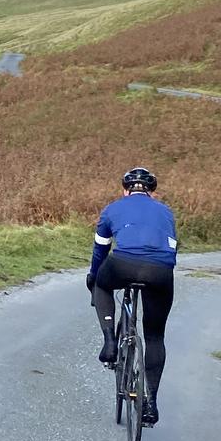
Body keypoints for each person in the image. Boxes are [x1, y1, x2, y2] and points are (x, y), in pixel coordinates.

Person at [87, 166, 178, 425]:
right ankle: (151, 404)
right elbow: (172, 248)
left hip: (122, 264)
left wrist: (94, 276)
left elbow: (100, 250)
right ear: (152, 191)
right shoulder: (166, 211)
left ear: (125, 189)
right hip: (160, 271)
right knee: (154, 336)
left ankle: (109, 343)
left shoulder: (113, 208)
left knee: (101, 284)